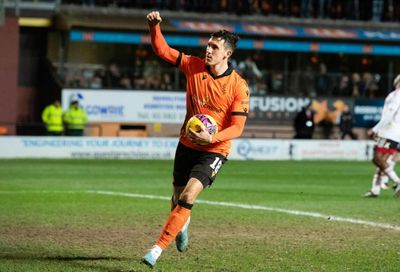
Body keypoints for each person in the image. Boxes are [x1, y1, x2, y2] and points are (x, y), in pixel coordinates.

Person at [142, 11, 249, 268]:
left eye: (214, 47)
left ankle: (156, 249)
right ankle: (182, 225)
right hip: (187, 143)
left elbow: (237, 128)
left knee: (188, 196)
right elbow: (163, 51)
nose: (208, 50)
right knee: (177, 196)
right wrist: (154, 27)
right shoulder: (193, 65)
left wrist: (212, 136)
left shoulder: (238, 86)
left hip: (215, 149)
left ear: (227, 54)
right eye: (208, 45)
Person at [364, 74, 400, 198]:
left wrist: (375, 129)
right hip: (392, 132)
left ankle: (397, 182)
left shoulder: (396, 95)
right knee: (382, 161)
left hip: (390, 132)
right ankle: (375, 190)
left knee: (377, 159)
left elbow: (389, 115)